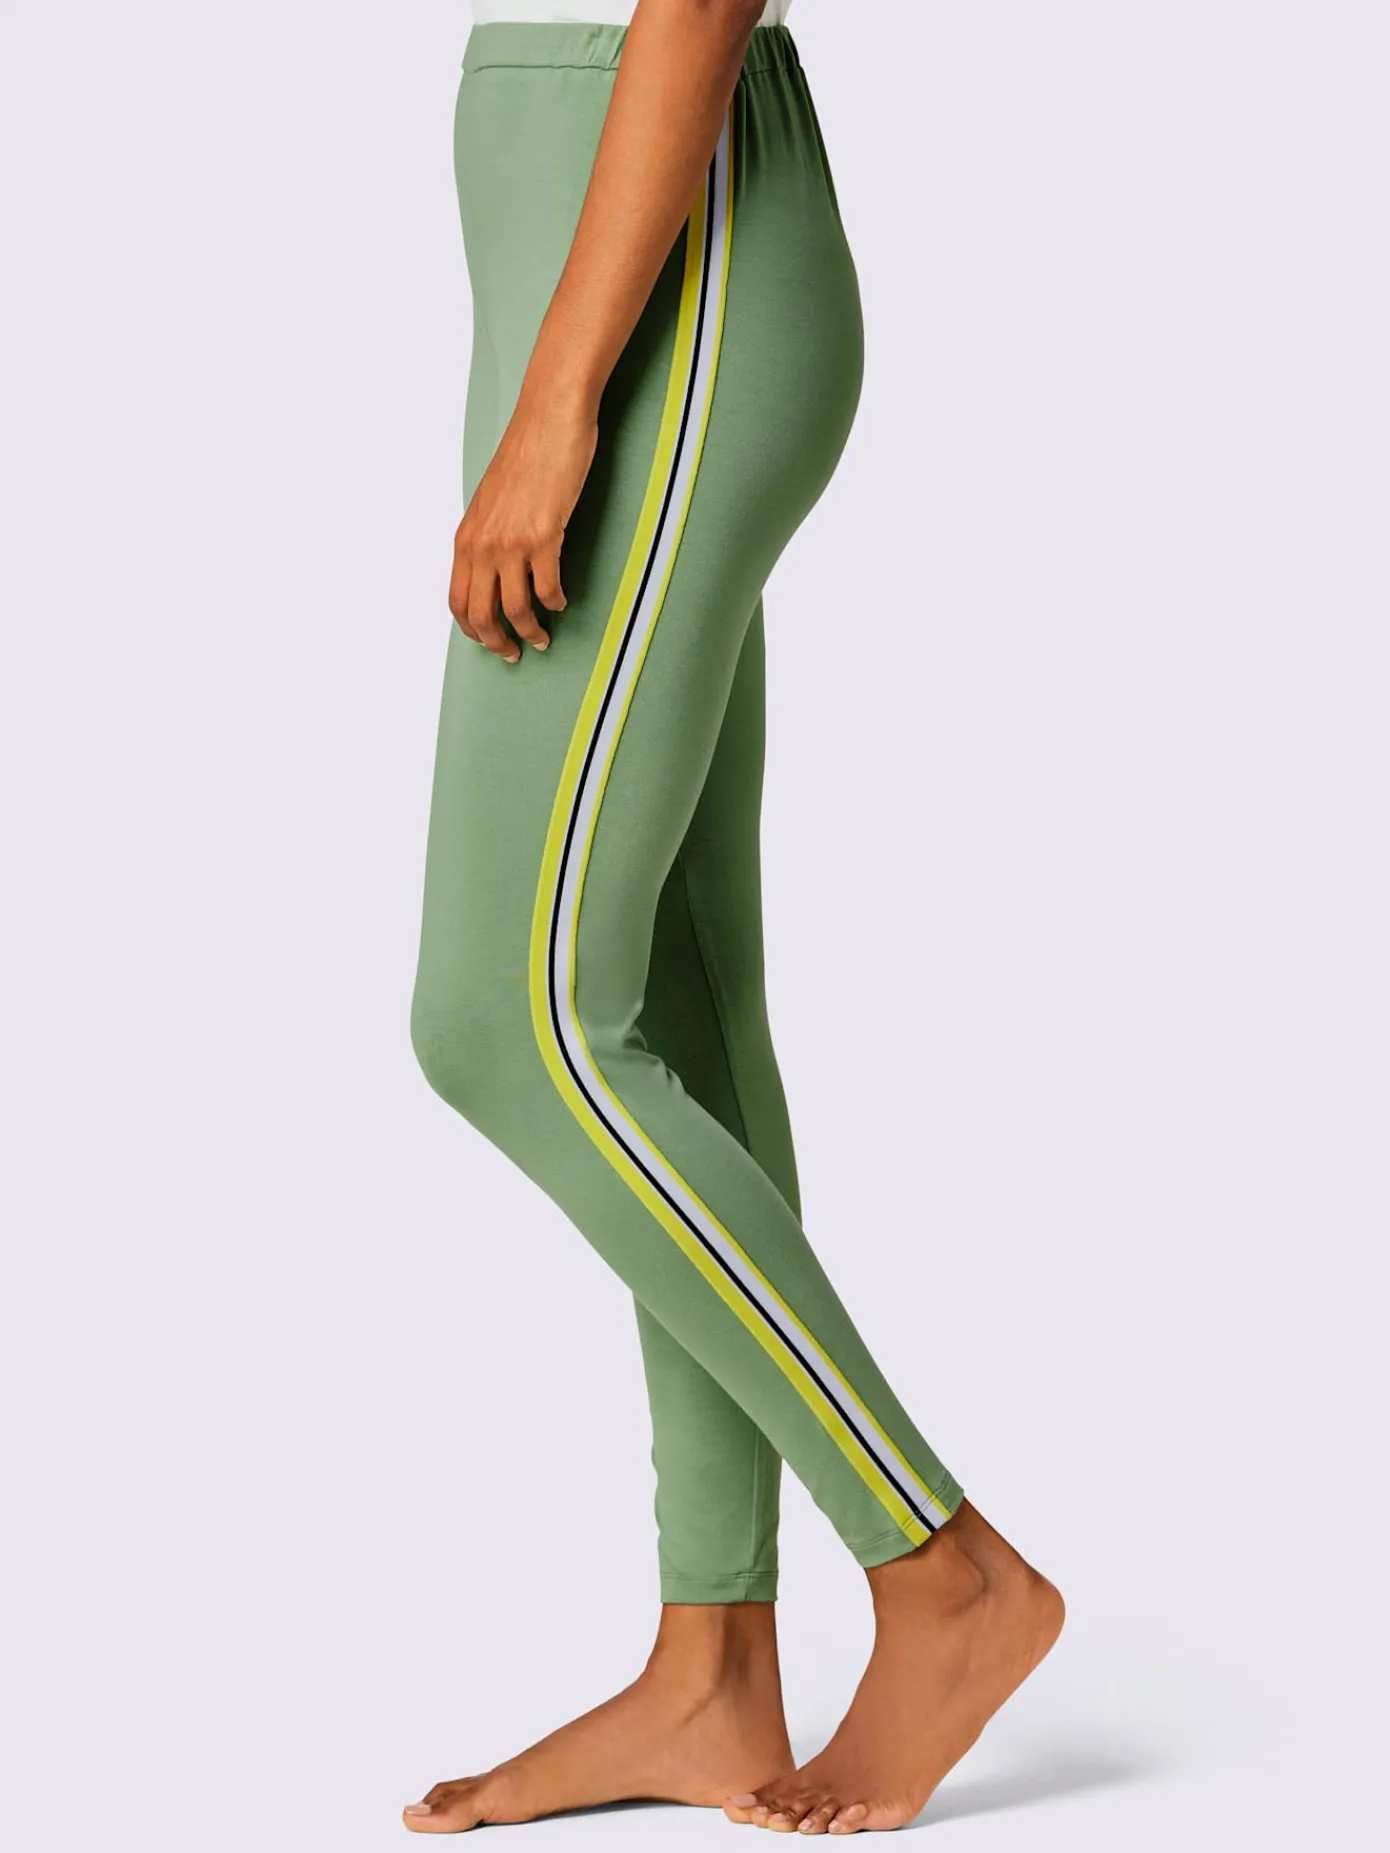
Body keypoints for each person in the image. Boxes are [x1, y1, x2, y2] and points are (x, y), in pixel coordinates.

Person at [404, 0, 1063, 1835]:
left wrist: (561, 405)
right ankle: (710, 1671)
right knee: (662, 1004)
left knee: (507, 1019)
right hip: (581, 219)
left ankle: (941, 1564)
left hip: (664, 259)